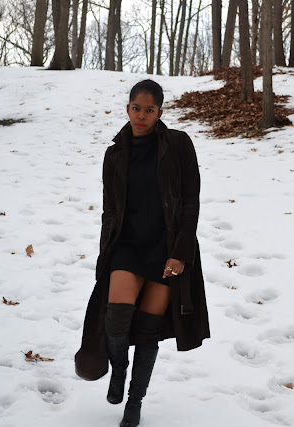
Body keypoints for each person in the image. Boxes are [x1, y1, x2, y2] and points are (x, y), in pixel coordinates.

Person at [75, 79, 210, 427]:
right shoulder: (115, 154)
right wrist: (104, 257)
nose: (141, 115)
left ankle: (134, 401)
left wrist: (181, 253)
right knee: (116, 317)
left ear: (159, 112)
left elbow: (191, 202)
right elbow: (110, 210)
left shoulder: (178, 144)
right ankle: (119, 369)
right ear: (128, 108)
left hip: (166, 249)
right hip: (127, 246)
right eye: (136, 108)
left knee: (149, 329)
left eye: (149, 110)